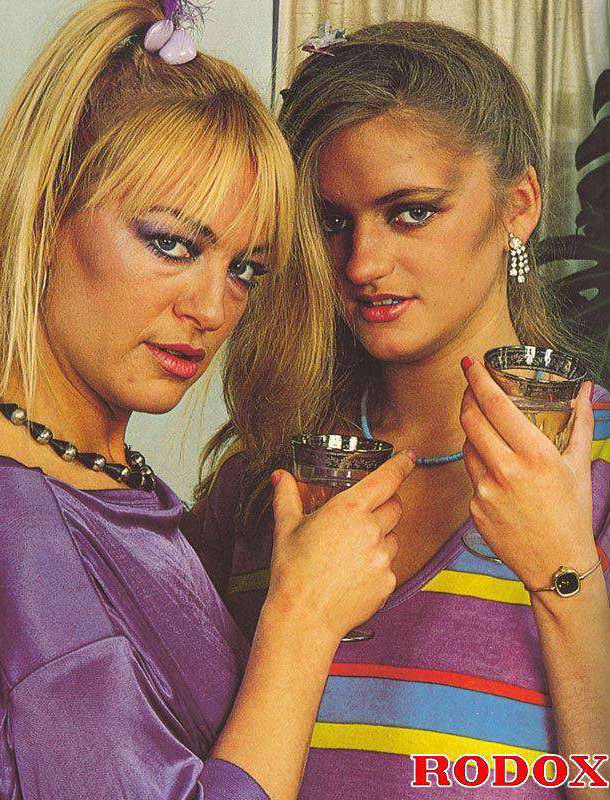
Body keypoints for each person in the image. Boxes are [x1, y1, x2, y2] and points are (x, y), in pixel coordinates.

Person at [0, 3, 417, 799]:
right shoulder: (13, 535)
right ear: (43, 216)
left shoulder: (103, 491)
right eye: (171, 243)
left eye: (245, 269)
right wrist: (302, 621)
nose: (212, 310)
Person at [189, 20, 610, 799]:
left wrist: (566, 579)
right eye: (333, 221)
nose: (363, 263)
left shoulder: (598, 475)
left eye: (411, 211)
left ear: (518, 205)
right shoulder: (266, 482)